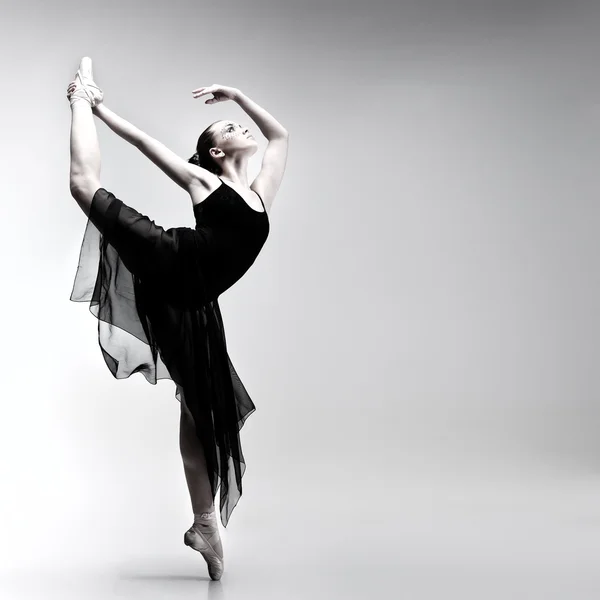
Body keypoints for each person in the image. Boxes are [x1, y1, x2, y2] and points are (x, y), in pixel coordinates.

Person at [66, 57, 289, 580]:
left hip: (195, 301)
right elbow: (146, 143)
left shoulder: (260, 194)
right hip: (172, 260)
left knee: (202, 412)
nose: (243, 127)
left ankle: (204, 524)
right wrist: (101, 109)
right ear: (216, 152)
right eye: (231, 128)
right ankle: (78, 97)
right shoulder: (205, 185)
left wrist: (234, 93)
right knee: (83, 186)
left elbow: (279, 136)